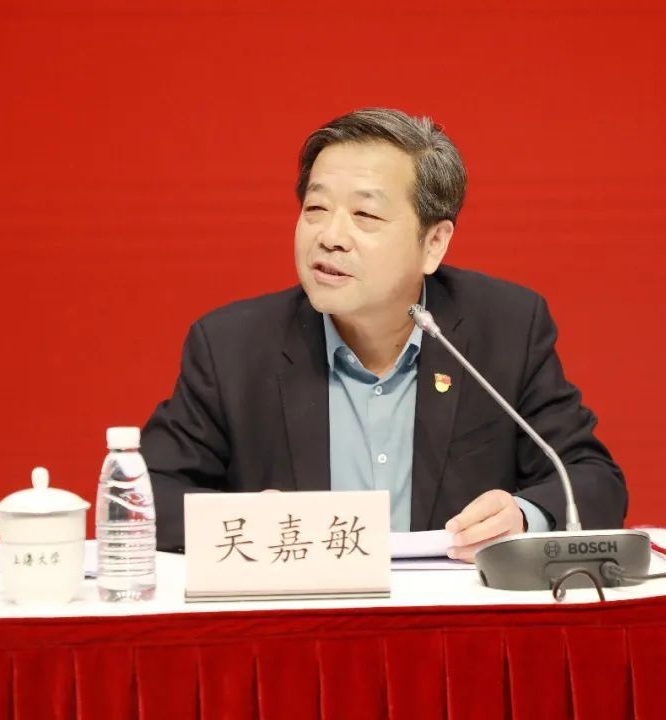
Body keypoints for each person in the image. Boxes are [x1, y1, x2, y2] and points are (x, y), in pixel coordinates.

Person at [142, 108, 627, 560]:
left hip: (450, 612)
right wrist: (244, 520)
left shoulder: (505, 328)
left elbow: (591, 479)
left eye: (366, 216)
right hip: (304, 612)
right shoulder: (232, 347)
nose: (330, 236)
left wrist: (523, 516)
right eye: (315, 208)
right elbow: (146, 496)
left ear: (433, 243)